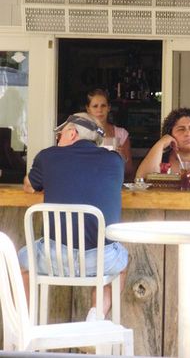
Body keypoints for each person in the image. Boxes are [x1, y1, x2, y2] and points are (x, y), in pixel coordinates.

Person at [19, 112, 128, 320]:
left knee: (22, 264)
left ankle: (26, 322)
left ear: (72, 133)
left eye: (60, 134)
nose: (58, 139)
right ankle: (96, 316)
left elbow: (29, 186)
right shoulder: (116, 161)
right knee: (122, 265)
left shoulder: (47, 156)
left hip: (53, 258)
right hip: (101, 260)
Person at [85, 88, 133, 179]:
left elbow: (129, 171)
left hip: (113, 181)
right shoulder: (80, 133)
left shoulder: (121, 134)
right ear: (88, 109)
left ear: (109, 108)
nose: (99, 110)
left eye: (103, 105)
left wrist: (123, 157)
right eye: (95, 106)